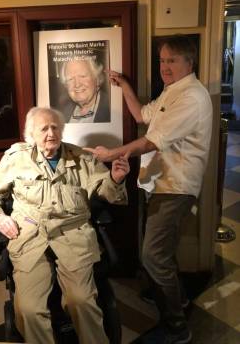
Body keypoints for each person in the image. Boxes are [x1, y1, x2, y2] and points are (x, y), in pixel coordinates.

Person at [85, 35, 213, 344]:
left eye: (172, 60)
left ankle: (177, 328)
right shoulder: (172, 92)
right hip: (161, 184)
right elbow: (143, 116)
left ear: (189, 62)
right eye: (162, 60)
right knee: (161, 253)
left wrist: (111, 154)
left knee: (153, 256)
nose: (165, 67)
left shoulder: (192, 97)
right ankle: (178, 300)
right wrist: (125, 85)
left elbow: (151, 141)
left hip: (176, 186)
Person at [0, 106, 129, 344]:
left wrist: (116, 179)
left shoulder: (81, 158)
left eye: (55, 127)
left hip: (73, 236)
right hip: (30, 237)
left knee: (80, 301)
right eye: (44, 128)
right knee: (28, 309)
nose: (51, 133)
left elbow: (107, 191)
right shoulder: (16, 159)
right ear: (32, 135)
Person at [59, 57, 110, 123]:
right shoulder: (62, 113)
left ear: (97, 79)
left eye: (83, 76)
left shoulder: (112, 108)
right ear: (66, 85)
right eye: (70, 79)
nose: (77, 84)